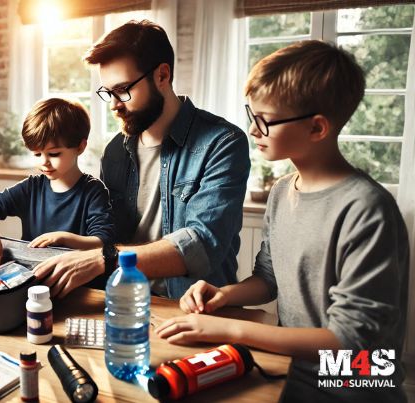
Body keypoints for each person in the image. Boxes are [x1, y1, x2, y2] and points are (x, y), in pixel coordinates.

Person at [156, 40, 409, 402]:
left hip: (354, 390)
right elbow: (269, 279)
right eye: (251, 115)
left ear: (317, 128)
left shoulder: (367, 209)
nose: (253, 131)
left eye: (265, 120)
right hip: (292, 373)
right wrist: (223, 295)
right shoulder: (282, 190)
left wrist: (230, 328)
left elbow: (350, 342)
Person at [34, 20, 250, 298]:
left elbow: (202, 244)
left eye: (123, 90)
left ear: (162, 75)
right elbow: (110, 234)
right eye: (108, 93)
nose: (114, 104)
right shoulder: (114, 152)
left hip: (194, 308)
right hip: (123, 302)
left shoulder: (222, 143)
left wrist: (104, 259)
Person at [0, 98, 115, 269]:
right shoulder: (32, 188)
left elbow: (102, 242)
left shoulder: (94, 191)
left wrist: (64, 238)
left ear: (80, 147)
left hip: (74, 278)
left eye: (54, 154)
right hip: (31, 277)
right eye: (37, 154)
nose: (44, 162)